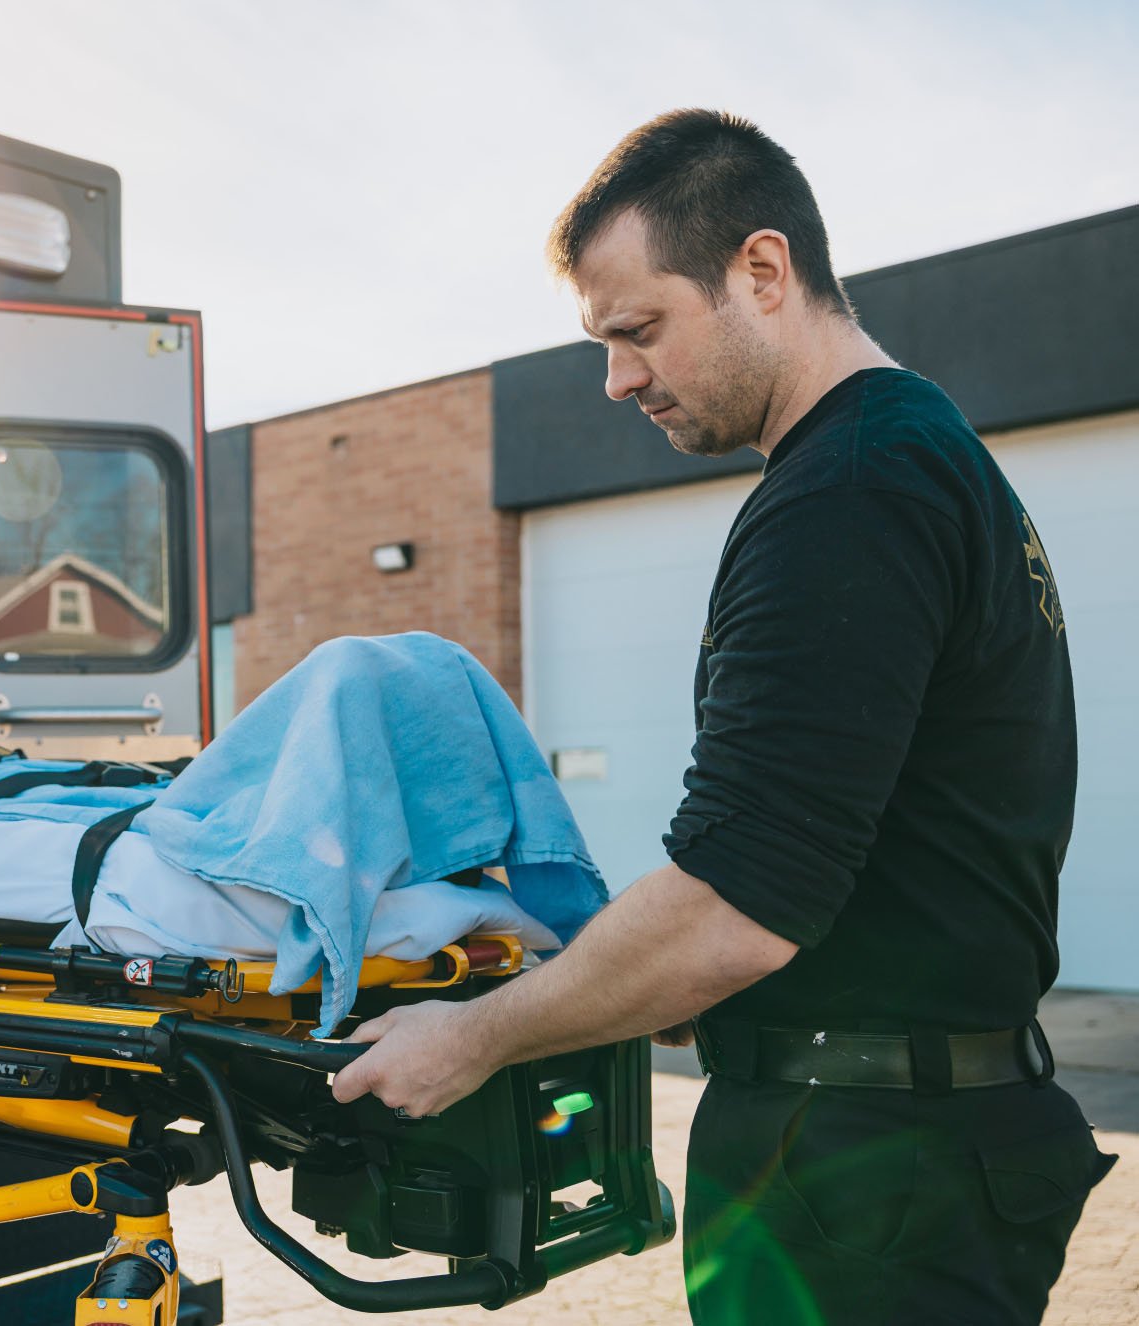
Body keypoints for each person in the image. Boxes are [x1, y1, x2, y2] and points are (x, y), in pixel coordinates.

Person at [331, 109, 1115, 1323]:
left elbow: (739, 907)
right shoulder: (922, 455)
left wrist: (480, 1035)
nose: (616, 379)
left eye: (638, 330)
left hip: (862, 1186)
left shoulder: (850, 492)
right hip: (919, 1153)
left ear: (761, 271)